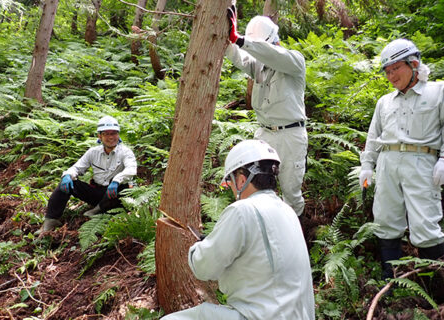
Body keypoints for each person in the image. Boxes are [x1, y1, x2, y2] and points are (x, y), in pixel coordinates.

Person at [161, 139, 315, 320]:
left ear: (241, 180)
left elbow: (203, 268)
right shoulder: (287, 211)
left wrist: (198, 247)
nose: (232, 189)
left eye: (231, 182)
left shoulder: (243, 210)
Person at [359, 39, 444, 279]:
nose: (391, 75)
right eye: (387, 71)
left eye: (396, 68)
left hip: (422, 162)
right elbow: (373, 136)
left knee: (425, 222)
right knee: (385, 220)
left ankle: (432, 285)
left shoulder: (440, 91)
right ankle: (392, 279)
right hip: (387, 164)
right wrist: (367, 166)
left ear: (413, 63)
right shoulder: (384, 102)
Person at [225, 7, 308, 216]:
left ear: (273, 41)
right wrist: (227, 38)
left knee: (290, 193)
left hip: (290, 135)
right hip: (264, 134)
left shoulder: (294, 61)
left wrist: (241, 40)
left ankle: (294, 235)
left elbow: (273, 55)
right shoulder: (259, 66)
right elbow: (239, 58)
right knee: (257, 186)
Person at [39, 115, 137, 232]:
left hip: (115, 195)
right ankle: (51, 220)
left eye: (114, 133)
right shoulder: (93, 152)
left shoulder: (125, 152)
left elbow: (131, 170)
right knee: (67, 183)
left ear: (118, 135)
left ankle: (98, 210)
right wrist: (67, 175)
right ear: (99, 136)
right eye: (106, 134)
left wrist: (116, 181)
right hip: (97, 193)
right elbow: (77, 167)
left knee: (126, 187)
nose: (111, 137)